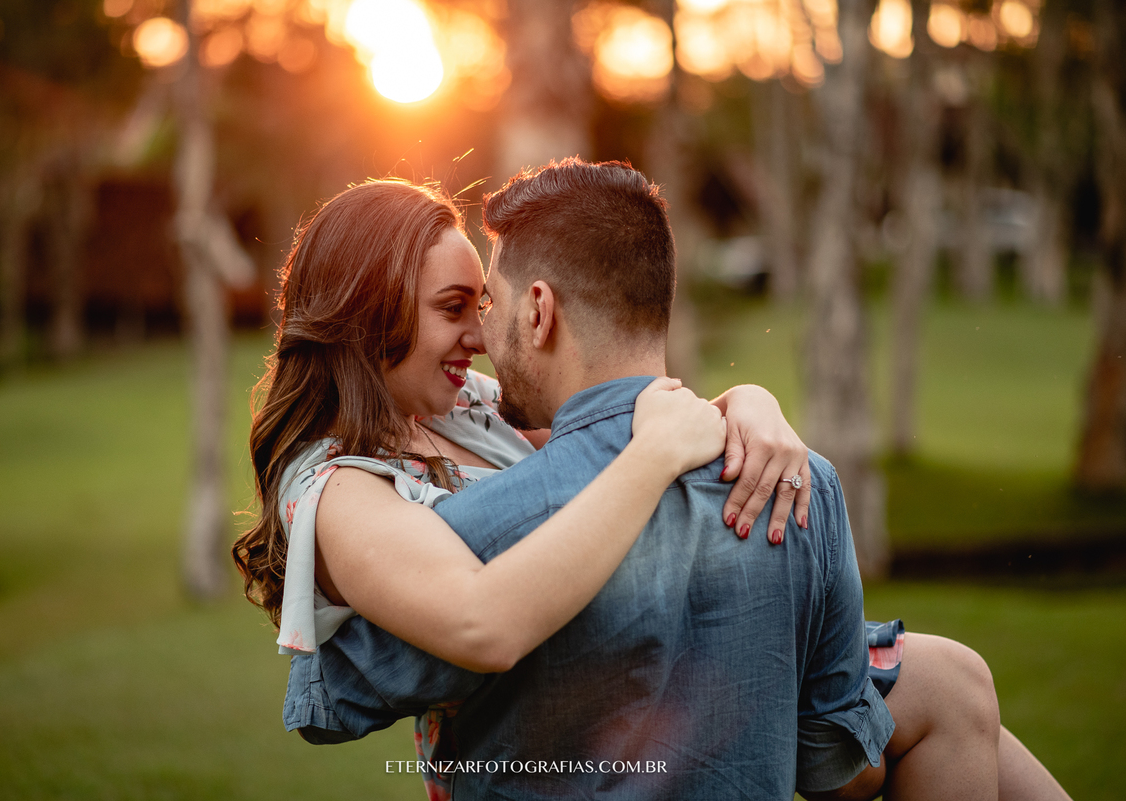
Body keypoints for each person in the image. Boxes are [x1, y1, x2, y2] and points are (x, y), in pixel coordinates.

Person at [238, 162, 1072, 800]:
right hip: (532, 731)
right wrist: (651, 459)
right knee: (937, 690)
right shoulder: (334, 487)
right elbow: (480, 620)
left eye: (481, 306)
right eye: (454, 307)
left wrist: (750, 403)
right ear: (368, 307)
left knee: (951, 678)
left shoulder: (463, 409)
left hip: (624, 675)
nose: (481, 337)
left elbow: (606, 410)